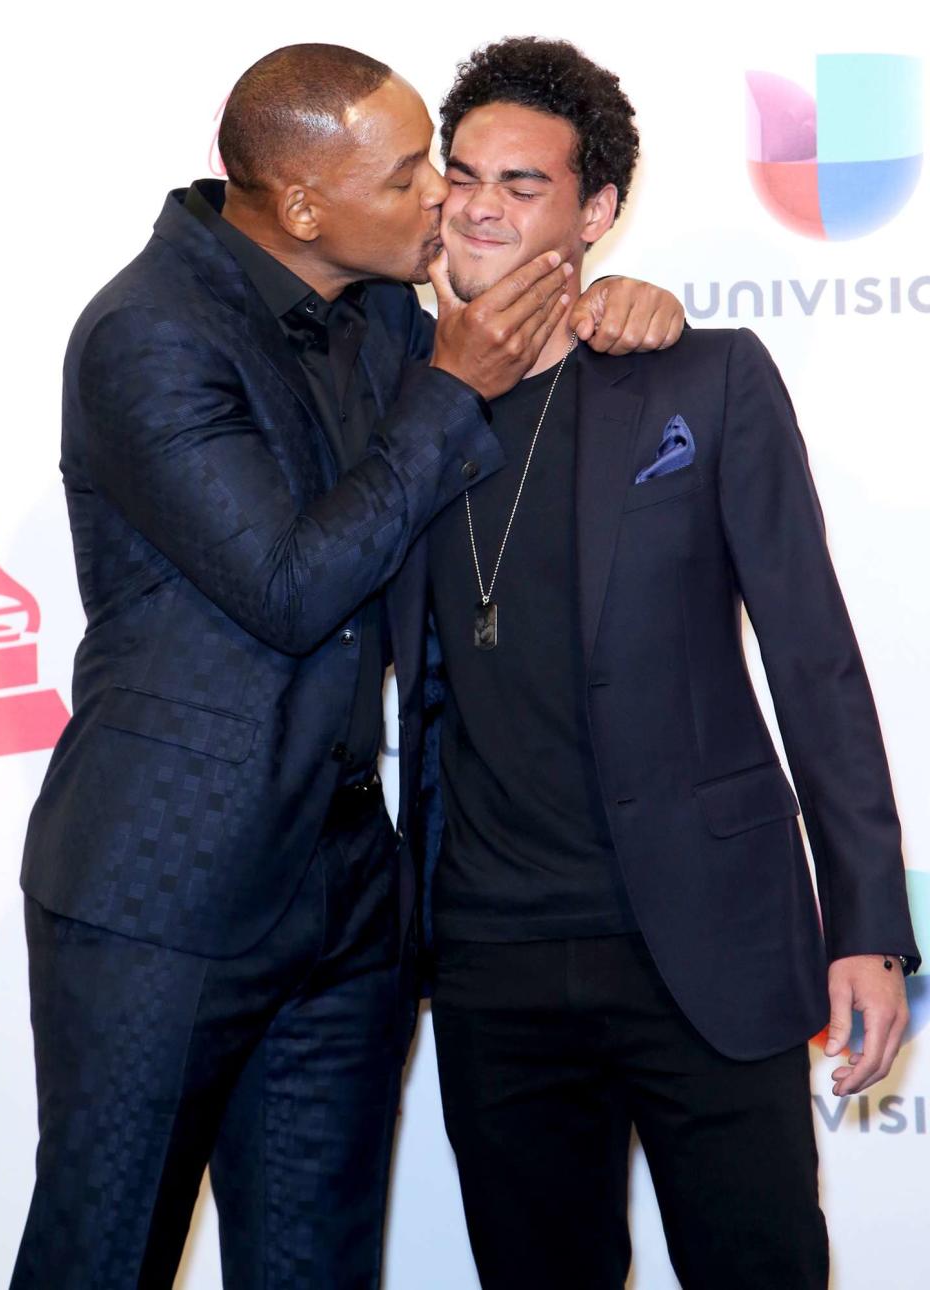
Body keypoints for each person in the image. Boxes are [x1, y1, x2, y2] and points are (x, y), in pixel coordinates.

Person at [12, 42, 684, 1290]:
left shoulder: (377, 305)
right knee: (103, 1257)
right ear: (306, 205)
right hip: (163, 894)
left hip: (345, 907)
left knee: (319, 1270)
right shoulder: (147, 335)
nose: (442, 194)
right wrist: (447, 390)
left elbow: (510, 326)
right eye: (410, 173)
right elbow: (289, 588)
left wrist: (617, 302)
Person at [422, 37, 920, 1290]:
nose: (481, 203)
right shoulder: (399, 400)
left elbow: (815, 658)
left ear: (595, 212)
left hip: (708, 938)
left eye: (523, 184)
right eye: (463, 172)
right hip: (493, 960)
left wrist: (867, 920)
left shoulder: (704, 376)